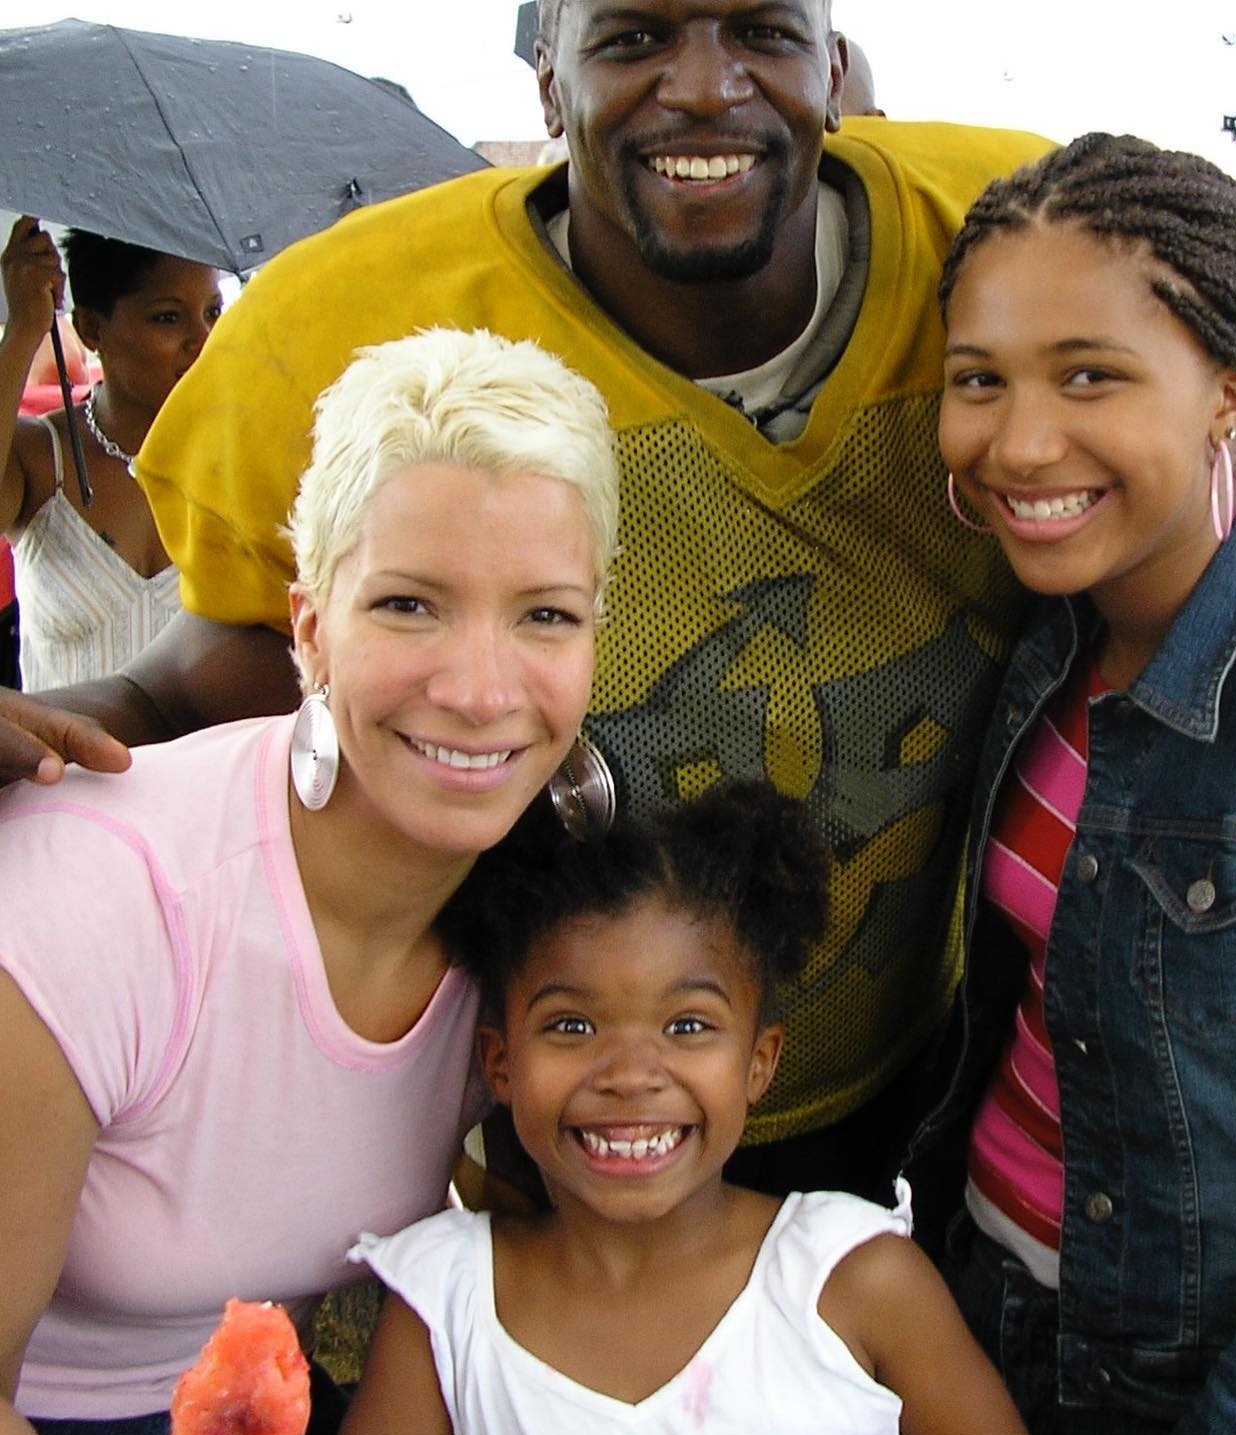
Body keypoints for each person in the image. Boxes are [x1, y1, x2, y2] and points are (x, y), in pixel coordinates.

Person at [0, 0, 1051, 1200]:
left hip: (928, 1094)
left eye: (761, 29)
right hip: (539, 1136)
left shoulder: (1000, 241)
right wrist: (39, 733)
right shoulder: (351, 326)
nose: (705, 86)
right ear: (546, 85)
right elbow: (198, 682)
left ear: (834, 64)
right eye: (634, 39)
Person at [902, 132, 1236, 1435]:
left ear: (1231, 392)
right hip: (968, 1309)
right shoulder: (1040, 637)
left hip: (1191, 1393)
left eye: (1090, 376)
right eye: (981, 379)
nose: (1020, 443)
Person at [0, 325, 621, 1435]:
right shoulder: (104, 896)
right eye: (408, 605)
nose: (481, 691)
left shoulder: (541, 907)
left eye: (544, 616)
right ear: (310, 631)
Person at [339, 781, 1030, 1435]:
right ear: (500, 1064)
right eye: (573, 1026)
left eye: (689, 1026)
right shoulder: (444, 1307)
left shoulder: (853, 1282)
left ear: (759, 1062)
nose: (632, 1076)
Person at [0, 218, 223, 691]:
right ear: (91, 328)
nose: (201, 341)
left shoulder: (244, 460)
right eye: (168, 316)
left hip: (214, 765)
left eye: (212, 313)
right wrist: (23, 330)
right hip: (62, 765)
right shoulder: (42, 458)